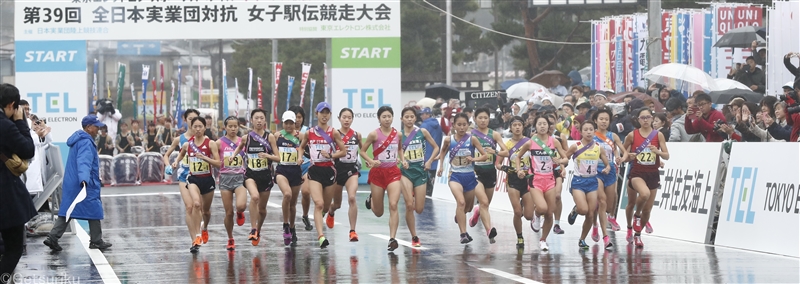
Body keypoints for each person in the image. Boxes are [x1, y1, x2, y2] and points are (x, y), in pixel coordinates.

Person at [44, 114, 113, 251]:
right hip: (83, 183)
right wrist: (84, 179)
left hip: (73, 182)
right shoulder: (86, 142)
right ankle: (96, 240)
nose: (98, 130)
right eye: (96, 127)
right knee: (94, 210)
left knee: (68, 210)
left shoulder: (79, 139)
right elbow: (84, 162)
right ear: (88, 128)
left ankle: (53, 237)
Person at [360, 106, 415, 250]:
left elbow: (400, 149)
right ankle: (372, 199)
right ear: (379, 119)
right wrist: (371, 162)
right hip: (378, 174)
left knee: (393, 204)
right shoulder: (374, 134)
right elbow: (363, 151)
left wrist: (402, 160)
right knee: (379, 213)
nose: (386, 119)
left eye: (389, 116)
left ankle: (392, 239)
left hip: (393, 173)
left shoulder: (398, 134)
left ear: (393, 118)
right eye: (384, 116)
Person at [437, 113, 496, 245]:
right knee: (461, 202)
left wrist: (474, 159)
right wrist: (441, 166)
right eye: (459, 125)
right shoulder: (448, 140)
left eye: (464, 125)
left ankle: (460, 215)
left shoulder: (472, 139)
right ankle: (463, 234)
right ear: (454, 125)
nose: (462, 128)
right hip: (455, 176)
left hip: (470, 176)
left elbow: (485, 156)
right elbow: (442, 152)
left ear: (468, 125)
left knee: (468, 208)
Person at [513, 115, 569, 251]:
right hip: (535, 180)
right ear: (535, 126)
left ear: (549, 126)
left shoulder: (554, 142)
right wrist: (519, 170)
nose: (542, 126)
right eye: (540, 124)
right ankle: (536, 216)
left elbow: (565, 158)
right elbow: (518, 157)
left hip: (550, 180)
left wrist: (561, 164)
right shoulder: (531, 142)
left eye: (545, 124)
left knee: (550, 213)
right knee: (542, 208)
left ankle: (543, 240)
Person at [0, 83, 36, 278]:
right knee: (14, 247)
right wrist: (21, 122)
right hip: (5, 195)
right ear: (12, 104)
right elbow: (28, 149)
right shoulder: (5, 125)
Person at [299, 102, 347, 249]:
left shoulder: (334, 133)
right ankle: (321, 236)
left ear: (330, 115)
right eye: (322, 112)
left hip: (330, 171)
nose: (324, 115)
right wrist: (300, 157)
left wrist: (332, 155)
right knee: (318, 204)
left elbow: (343, 151)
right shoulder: (310, 132)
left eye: (327, 113)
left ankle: (327, 213)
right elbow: (301, 147)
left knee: (325, 206)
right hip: (314, 171)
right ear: (316, 114)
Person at [622, 108, 670, 248]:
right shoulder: (632, 135)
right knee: (641, 196)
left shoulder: (658, 135)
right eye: (642, 117)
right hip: (637, 172)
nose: (645, 120)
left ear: (652, 118)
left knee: (648, 210)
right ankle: (632, 223)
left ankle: (638, 235)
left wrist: (658, 152)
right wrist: (627, 157)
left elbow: (667, 155)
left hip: (653, 173)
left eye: (648, 117)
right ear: (638, 119)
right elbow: (623, 153)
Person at [173, 116, 221, 253]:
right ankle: (197, 236)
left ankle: (204, 227)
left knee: (206, 211)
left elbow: (218, 163)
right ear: (192, 128)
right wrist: (176, 162)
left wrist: (205, 158)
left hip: (207, 180)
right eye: (195, 127)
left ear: (205, 128)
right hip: (193, 179)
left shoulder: (210, 143)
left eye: (200, 126)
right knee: (196, 204)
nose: (198, 129)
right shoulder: (188, 144)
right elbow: (181, 154)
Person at [563, 121, 612, 250]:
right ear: (581, 132)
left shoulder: (598, 147)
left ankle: (582, 239)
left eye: (591, 129)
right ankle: (575, 210)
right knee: (583, 210)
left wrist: (607, 168)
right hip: (579, 181)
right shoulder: (576, 146)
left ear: (594, 131)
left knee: (590, 214)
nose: (589, 132)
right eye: (586, 129)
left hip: (592, 182)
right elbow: (565, 158)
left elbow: (607, 163)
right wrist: (561, 164)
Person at [231, 109, 277, 246]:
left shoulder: (270, 137)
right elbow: (239, 147)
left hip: (266, 175)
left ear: (265, 121)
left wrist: (268, 156)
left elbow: (278, 157)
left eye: (261, 118)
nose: (258, 120)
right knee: (254, 197)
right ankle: (252, 228)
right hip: (250, 174)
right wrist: (233, 156)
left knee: (262, 209)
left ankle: (258, 230)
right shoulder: (247, 137)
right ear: (252, 120)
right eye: (256, 118)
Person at [397, 107, 441, 247]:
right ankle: (414, 236)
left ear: (415, 118)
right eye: (406, 117)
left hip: (421, 172)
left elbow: (436, 148)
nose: (409, 119)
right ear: (402, 119)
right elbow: (395, 151)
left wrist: (429, 161)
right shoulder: (398, 135)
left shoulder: (422, 131)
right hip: (406, 173)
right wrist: (400, 160)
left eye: (412, 117)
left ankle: (415, 197)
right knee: (409, 205)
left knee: (419, 209)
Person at [588, 108, 627, 247]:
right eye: (601, 119)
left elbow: (623, 152)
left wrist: (620, 158)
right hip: (595, 171)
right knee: (601, 201)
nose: (604, 121)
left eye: (606, 119)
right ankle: (597, 227)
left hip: (610, 171)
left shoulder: (613, 136)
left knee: (609, 205)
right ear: (595, 121)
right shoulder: (590, 135)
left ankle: (609, 218)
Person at [162, 109, 200, 248]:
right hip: (184, 176)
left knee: (198, 207)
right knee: (189, 206)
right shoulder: (180, 139)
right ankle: (194, 240)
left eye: (196, 118)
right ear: (185, 120)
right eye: (190, 118)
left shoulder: (204, 138)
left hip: (200, 176)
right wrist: (168, 166)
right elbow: (166, 154)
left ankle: (199, 232)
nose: (193, 121)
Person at [325, 108, 363, 242]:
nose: (347, 120)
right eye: (344, 117)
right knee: (337, 204)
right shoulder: (335, 134)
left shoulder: (357, 135)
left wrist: (369, 161)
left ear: (352, 119)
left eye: (349, 117)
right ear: (339, 118)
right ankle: (331, 211)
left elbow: (362, 151)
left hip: (351, 170)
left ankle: (352, 231)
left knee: (352, 198)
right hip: (336, 170)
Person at [467, 107, 509, 228]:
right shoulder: (470, 135)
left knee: (486, 204)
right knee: (483, 202)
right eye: (480, 118)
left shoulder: (494, 134)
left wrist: (495, 151)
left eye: (486, 118)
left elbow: (506, 152)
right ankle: (489, 231)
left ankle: (477, 212)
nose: (483, 120)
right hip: (475, 172)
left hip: (490, 172)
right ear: (475, 119)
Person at [273, 111, 305, 245]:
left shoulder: (301, 136)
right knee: (287, 195)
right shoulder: (277, 136)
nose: (289, 126)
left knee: (293, 204)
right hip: (282, 171)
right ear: (282, 123)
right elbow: (271, 150)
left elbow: (305, 150)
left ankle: (292, 228)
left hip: (295, 171)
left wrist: (300, 158)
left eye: (291, 123)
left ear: (295, 123)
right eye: (286, 123)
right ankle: (285, 224)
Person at [216, 116, 248, 251]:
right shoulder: (219, 143)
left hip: (240, 177)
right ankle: (230, 237)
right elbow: (215, 160)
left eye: (235, 126)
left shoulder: (243, 141)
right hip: (225, 178)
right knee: (229, 213)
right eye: (230, 126)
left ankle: (240, 212)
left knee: (241, 206)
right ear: (225, 128)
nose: (233, 129)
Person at [503, 116, 534, 249]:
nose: (517, 127)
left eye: (519, 125)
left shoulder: (530, 142)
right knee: (517, 212)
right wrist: (509, 168)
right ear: (510, 128)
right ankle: (520, 237)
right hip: (513, 180)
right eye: (514, 125)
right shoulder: (507, 144)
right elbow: (498, 164)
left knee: (528, 216)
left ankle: (524, 203)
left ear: (523, 127)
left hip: (527, 179)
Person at [292, 106, 314, 232]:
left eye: (299, 117)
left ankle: (305, 215)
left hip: (307, 166)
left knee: (306, 192)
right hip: (290, 168)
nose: (296, 120)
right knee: (291, 199)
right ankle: (291, 225)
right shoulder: (284, 132)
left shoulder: (307, 131)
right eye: (294, 117)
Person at [419, 107, 442, 196]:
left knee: (426, 174)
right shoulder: (438, 125)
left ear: (427, 114)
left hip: (426, 152)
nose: (421, 116)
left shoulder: (424, 126)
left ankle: (429, 189)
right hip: (436, 152)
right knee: (433, 174)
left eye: (422, 114)